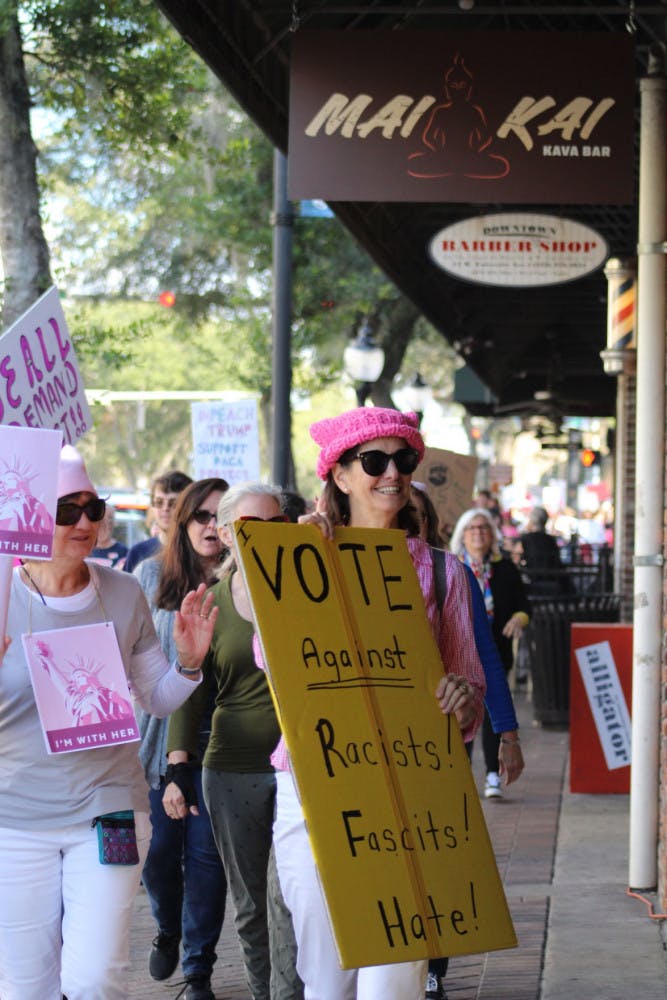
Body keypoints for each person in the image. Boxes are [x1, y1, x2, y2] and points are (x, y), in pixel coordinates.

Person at [264, 407, 486, 1000]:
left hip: (411, 786)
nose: (393, 473)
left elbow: (469, 691)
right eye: (375, 460)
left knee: (394, 981)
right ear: (338, 475)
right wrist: (292, 559)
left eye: (405, 459)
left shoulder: (444, 573)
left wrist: (461, 698)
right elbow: (271, 657)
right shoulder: (299, 557)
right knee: (326, 976)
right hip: (315, 782)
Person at [0, 445, 217, 1000]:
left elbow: (158, 697)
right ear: (27, 517)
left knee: (94, 979)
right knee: (26, 987)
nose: (84, 523)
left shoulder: (122, 591)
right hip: (14, 819)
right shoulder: (2, 597)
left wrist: (189, 663)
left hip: (109, 807)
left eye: (92, 508)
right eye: (64, 510)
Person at [166, 483, 290, 1000]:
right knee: (252, 901)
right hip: (232, 769)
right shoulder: (210, 604)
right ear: (226, 533)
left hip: (304, 769)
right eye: (249, 526)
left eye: (275, 525)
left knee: (293, 898)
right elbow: (190, 693)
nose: (263, 536)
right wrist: (177, 769)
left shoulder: (309, 591)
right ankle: (266, 993)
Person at [412, 489, 524, 1000]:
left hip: (440, 741)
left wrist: (509, 733)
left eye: (411, 514)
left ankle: (434, 967)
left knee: (436, 859)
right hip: (362, 748)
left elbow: (485, 657)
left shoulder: (448, 575)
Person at [135, 478, 229, 1000]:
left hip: (220, 743)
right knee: (158, 855)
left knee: (205, 857)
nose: (212, 527)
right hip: (155, 742)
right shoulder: (150, 576)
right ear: (184, 521)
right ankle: (168, 927)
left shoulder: (244, 582)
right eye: (202, 516)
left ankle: (198, 970)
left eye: (222, 516)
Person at [449, 507, 530, 800]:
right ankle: (463, 769)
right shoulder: (452, 567)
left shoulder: (505, 569)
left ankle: (492, 773)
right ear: (462, 534)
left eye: (483, 528)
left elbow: (524, 605)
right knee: (463, 710)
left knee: (492, 707)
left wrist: (519, 619)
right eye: (471, 528)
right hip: (460, 652)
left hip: (496, 646)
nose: (478, 533)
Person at [124, 470, 193, 573]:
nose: (165, 508)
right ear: (152, 506)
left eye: (173, 503)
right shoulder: (138, 553)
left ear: (189, 506)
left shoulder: (201, 552)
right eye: (159, 502)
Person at [90, 502, 128, 569]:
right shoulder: (83, 550)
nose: (107, 524)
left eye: (110, 518)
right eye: (101, 520)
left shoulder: (123, 552)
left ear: (114, 523)